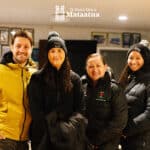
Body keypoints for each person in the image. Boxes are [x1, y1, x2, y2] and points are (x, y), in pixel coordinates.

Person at [27, 31, 88, 150]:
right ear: (47, 54)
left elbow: (80, 110)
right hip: (42, 138)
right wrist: (53, 128)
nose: (56, 55)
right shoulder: (37, 78)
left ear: (65, 53)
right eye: (52, 51)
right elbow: (35, 110)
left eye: (59, 51)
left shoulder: (75, 79)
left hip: (69, 139)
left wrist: (65, 130)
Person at [82, 53, 127, 150]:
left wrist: (96, 140)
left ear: (105, 67)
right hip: (84, 144)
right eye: (91, 66)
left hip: (107, 145)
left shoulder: (115, 89)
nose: (94, 69)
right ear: (86, 68)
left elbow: (120, 122)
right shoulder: (82, 88)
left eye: (98, 65)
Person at [0, 30, 34, 150]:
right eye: (18, 46)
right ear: (11, 47)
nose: (22, 50)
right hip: (4, 138)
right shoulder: (1, 71)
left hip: (25, 140)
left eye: (26, 46)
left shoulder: (34, 74)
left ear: (31, 49)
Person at [119, 43, 150, 150]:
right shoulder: (128, 79)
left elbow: (149, 114)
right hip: (127, 140)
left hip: (141, 141)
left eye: (138, 58)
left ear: (145, 59)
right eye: (131, 57)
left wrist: (126, 129)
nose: (133, 61)